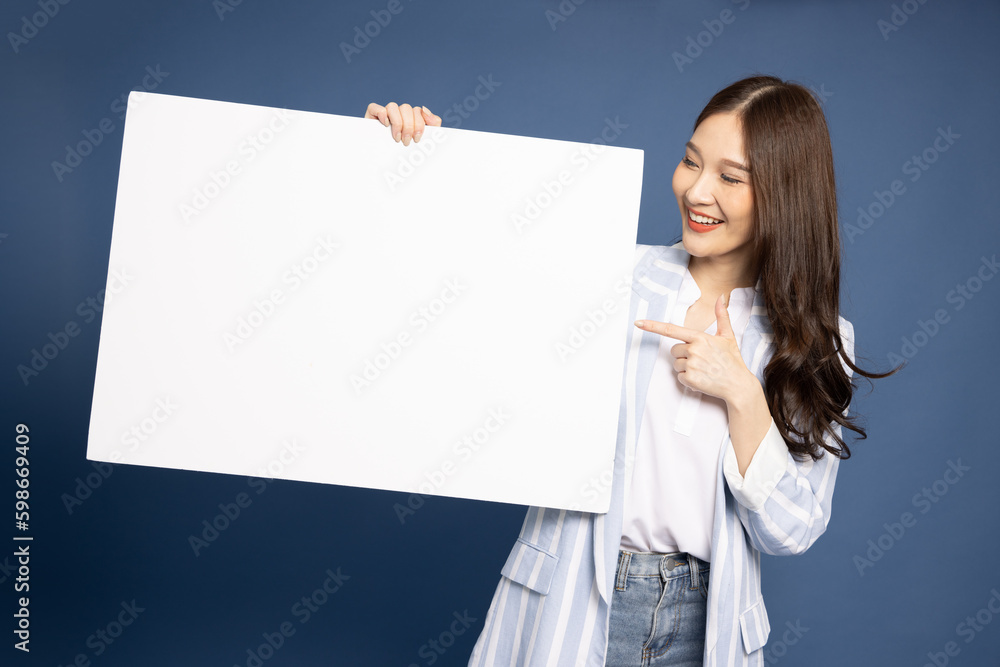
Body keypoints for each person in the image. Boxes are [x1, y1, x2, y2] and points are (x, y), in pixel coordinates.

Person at [364, 75, 896, 666]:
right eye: (690, 162)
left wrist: (743, 393)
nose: (696, 191)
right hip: (571, 596)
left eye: (729, 177)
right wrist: (416, 166)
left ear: (785, 195)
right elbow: (453, 301)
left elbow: (792, 529)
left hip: (706, 620)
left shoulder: (816, 341)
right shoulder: (603, 276)